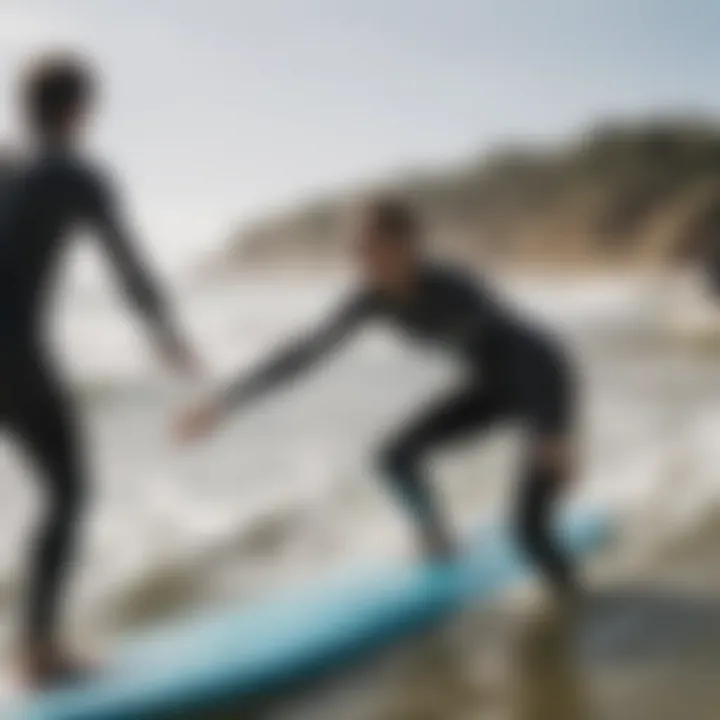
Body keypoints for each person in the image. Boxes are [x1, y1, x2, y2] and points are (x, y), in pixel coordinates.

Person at [175, 197, 578, 597]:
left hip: (542, 382)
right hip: (491, 387)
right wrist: (223, 403)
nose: (358, 257)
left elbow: (524, 352)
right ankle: (438, 540)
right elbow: (303, 355)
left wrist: (552, 430)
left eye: (368, 246)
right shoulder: (370, 299)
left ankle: (574, 604)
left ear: (406, 244)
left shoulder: (454, 287)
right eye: (354, 248)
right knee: (393, 456)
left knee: (528, 530)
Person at [0, 54, 197, 686]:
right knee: (68, 491)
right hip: (12, 353)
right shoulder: (81, 176)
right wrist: (166, 333)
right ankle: (39, 652)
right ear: (81, 109)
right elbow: (126, 264)